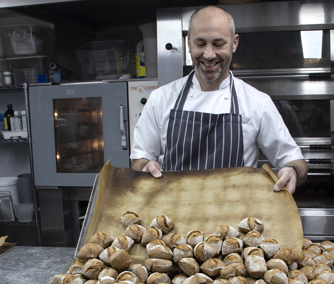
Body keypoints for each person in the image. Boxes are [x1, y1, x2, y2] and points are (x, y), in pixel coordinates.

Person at [131, 5, 308, 194]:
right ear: (188, 42)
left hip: (235, 219)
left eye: (218, 43)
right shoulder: (161, 98)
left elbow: (294, 160)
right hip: (173, 219)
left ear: (234, 42)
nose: (209, 55)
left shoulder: (257, 102)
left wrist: (293, 170)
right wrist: (144, 167)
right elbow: (140, 159)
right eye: (200, 44)